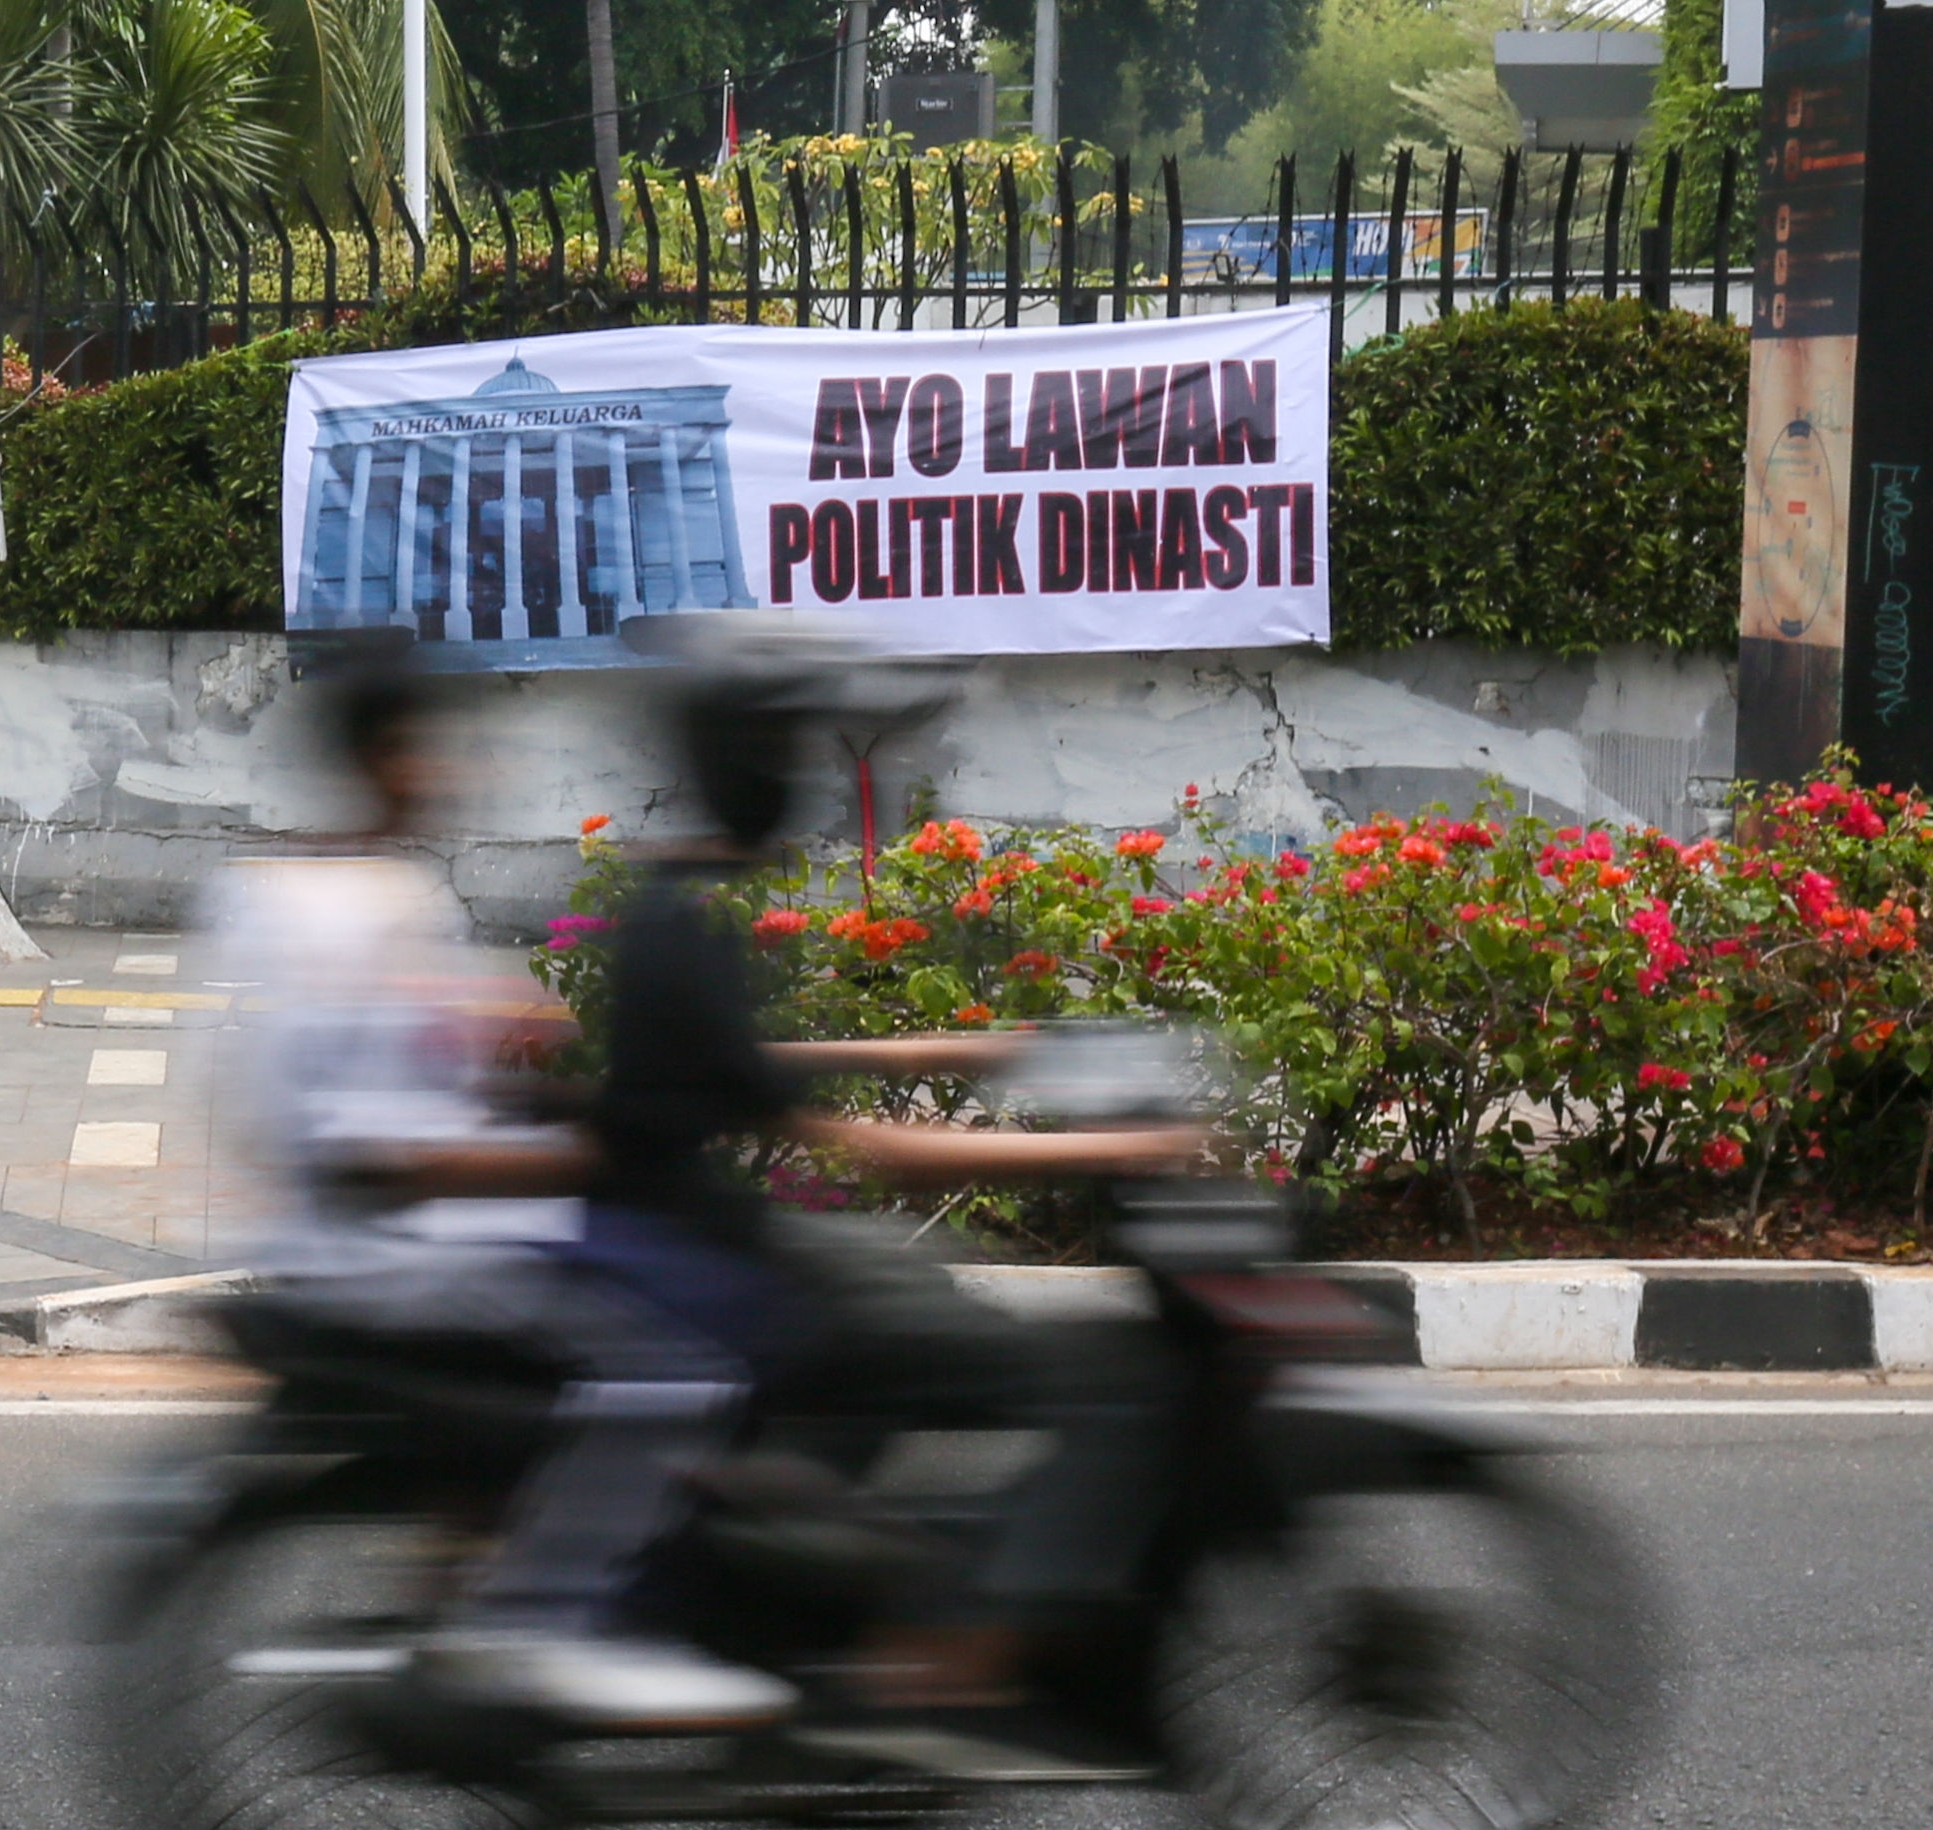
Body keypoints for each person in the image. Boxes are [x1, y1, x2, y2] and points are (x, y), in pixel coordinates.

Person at [568, 671, 1195, 1728]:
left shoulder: (673, 908)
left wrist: (998, 1049)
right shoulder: (685, 931)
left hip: (705, 1237)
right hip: (714, 1254)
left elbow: (758, 1066)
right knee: (1013, 1352)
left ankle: (834, 1553)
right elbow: (871, 1144)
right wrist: (1122, 1143)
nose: (802, 781)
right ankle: (951, 1644)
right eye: (787, 758)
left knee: (899, 1283)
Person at [202, 640, 796, 1732]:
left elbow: (432, 1069)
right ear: (389, 757)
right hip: (399, 1249)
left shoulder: (354, 890)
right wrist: (581, 1159)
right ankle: (562, 1622)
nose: (458, 767)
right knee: (684, 1356)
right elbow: (369, 1150)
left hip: (420, 1224)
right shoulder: (342, 916)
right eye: (438, 745)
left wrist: (533, 1074)